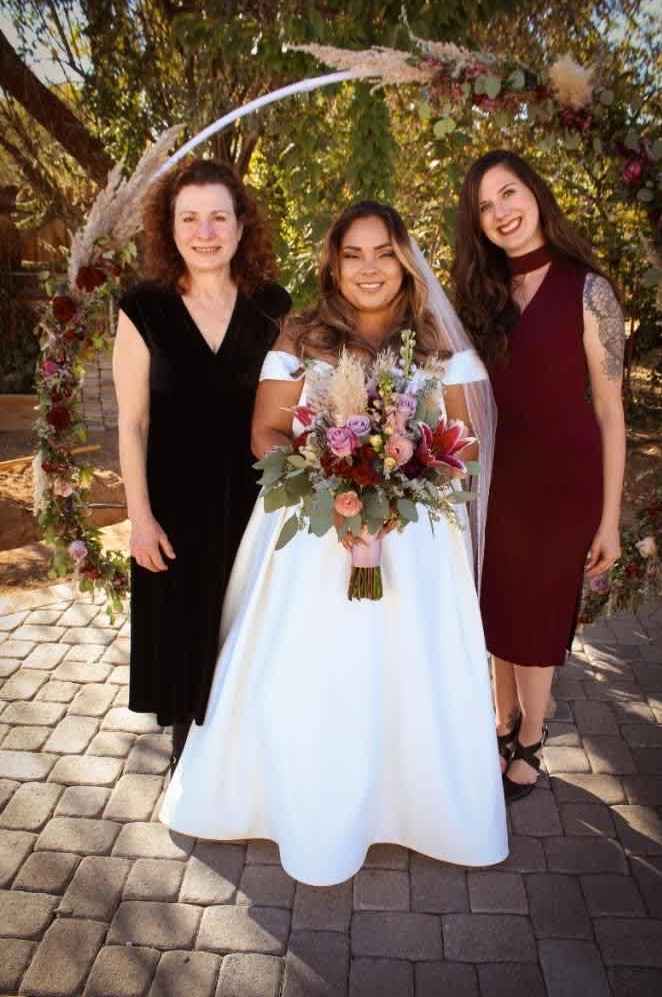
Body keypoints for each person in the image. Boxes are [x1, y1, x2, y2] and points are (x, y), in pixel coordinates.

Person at [160, 200, 508, 886]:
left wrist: (404, 482)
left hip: (415, 535)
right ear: (334, 263)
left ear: (404, 261)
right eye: (353, 255)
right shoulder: (302, 334)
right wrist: (330, 478)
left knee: (411, 667)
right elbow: (265, 432)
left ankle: (420, 809)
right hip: (313, 528)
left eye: (383, 253)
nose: (369, 268)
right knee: (308, 664)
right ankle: (288, 801)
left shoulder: (438, 339)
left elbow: (467, 443)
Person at [452, 149, 626, 802]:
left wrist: (609, 520)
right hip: (494, 476)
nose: (500, 212)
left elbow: (610, 411)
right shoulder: (480, 296)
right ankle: (501, 722)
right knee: (496, 605)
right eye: (485, 206)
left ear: (535, 192)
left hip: (562, 479)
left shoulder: (589, 289)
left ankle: (531, 737)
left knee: (538, 613)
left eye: (509, 193)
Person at [112, 158, 291, 767]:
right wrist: (139, 518)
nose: (205, 232)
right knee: (184, 638)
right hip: (173, 505)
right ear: (170, 228)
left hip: (256, 499)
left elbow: (293, 406)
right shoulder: (144, 308)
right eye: (189, 218)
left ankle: (247, 766)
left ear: (242, 226)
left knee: (251, 631)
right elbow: (132, 423)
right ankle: (188, 765)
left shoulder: (273, 307)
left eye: (218, 217)